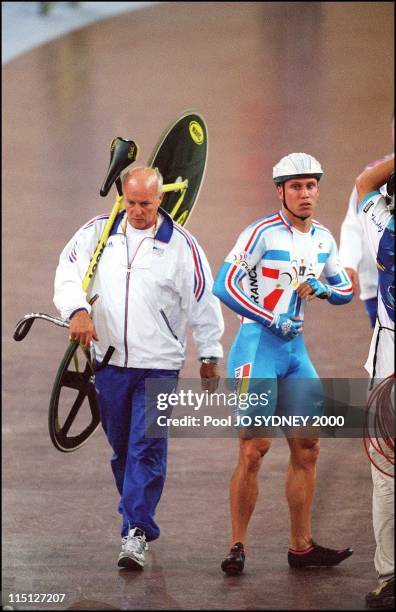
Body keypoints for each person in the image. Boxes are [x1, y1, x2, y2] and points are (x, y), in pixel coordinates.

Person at [54, 166, 224, 570]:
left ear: (160, 199)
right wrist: (76, 309)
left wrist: (210, 354)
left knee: (145, 449)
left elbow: (203, 300)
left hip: (159, 367)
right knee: (122, 450)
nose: (137, 211)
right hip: (108, 365)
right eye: (130, 202)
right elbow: (67, 273)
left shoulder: (182, 245)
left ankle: (134, 532)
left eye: (145, 203)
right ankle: (137, 519)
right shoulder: (98, 233)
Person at [213, 152, 354, 575]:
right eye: (296, 186)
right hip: (257, 348)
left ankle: (301, 547)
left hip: (295, 354)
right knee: (254, 450)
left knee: (308, 448)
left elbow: (344, 285)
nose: (305, 193)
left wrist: (324, 290)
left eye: (311, 185)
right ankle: (237, 544)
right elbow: (224, 285)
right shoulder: (261, 233)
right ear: (281, 191)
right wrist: (264, 315)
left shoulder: (323, 239)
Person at [355, 156, 394, 609]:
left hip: (388, 364)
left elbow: (365, 179)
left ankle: (389, 574)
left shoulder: (380, 227)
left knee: (386, 476)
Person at [339, 155, 393, 328]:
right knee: (383, 338)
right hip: (373, 284)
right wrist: (348, 263)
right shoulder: (373, 172)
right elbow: (353, 223)